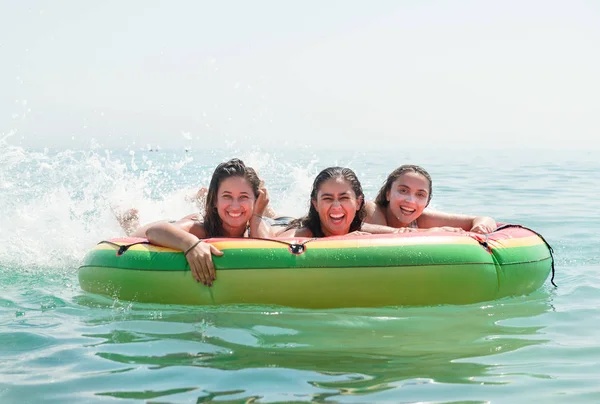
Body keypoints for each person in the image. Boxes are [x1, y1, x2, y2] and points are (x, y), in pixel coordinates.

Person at [132, 158, 272, 286]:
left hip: (236, 210)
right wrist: (191, 244)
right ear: (215, 200)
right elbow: (153, 231)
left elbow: (268, 256)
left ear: (256, 200)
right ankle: (130, 221)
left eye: (243, 197)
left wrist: (257, 215)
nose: (235, 205)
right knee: (133, 231)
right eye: (227, 196)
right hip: (180, 222)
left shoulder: (257, 225)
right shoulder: (200, 228)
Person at [364, 164, 497, 234]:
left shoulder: (422, 218)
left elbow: (485, 219)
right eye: (403, 191)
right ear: (388, 193)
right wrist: (432, 231)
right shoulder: (372, 209)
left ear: (427, 201)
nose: (411, 200)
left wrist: (480, 227)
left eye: (420, 194)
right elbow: (384, 241)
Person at [278, 166, 368, 237]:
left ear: (358, 203)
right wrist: (341, 240)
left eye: (344, 198)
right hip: (279, 224)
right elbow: (276, 250)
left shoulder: (360, 230)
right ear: (316, 204)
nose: (336, 207)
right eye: (328, 199)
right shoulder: (302, 234)